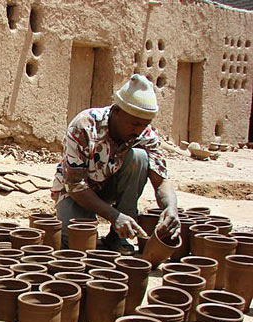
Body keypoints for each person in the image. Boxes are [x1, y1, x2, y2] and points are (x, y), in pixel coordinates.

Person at [51, 74, 180, 255]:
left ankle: (117, 236)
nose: (138, 130)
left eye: (145, 124)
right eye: (134, 123)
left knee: (139, 158)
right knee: (75, 242)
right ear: (116, 111)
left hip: (108, 188)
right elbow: (75, 185)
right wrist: (114, 216)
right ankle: (111, 223)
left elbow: (161, 180)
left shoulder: (145, 134)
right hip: (75, 192)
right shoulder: (84, 126)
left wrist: (171, 208)